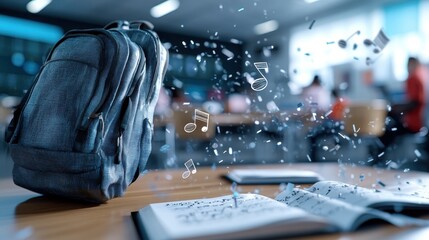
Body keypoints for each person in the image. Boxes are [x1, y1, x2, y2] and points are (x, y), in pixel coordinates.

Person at [372, 57, 426, 163]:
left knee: (386, 131)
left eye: (410, 65)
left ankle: (379, 159)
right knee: (390, 124)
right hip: (416, 121)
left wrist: (396, 108)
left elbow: (415, 102)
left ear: (415, 64)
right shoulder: (421, 76)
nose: (408, 67)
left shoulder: (415, 78)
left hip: (413, 124)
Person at [307, 88, 349, 161]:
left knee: (312, 135)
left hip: (335, 127)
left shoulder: (337, 104)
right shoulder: (345, 102)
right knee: (314, 133)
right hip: (339, 126)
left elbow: (332, 117)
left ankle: (313, 159)